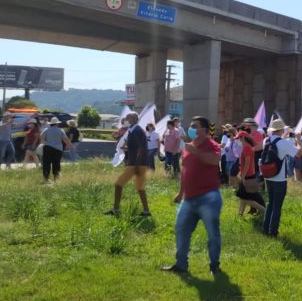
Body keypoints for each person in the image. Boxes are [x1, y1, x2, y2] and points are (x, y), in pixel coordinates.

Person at [162, 116, 224, 275]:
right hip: (189, 199)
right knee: (181, 228)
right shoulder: (189, 147)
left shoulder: (212, 145)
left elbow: (214, 160)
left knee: (212, 233)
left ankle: (214, 265)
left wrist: (195, 152)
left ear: (203, 129)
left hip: (209, 197)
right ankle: (181, 264)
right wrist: (181, 192)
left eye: (194, 126)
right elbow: (185, 171)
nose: (191, 129)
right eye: (190, 126)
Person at [261, 118, 302, 237]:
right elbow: (299, 153)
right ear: (281, 130)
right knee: (277, 206)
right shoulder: (284, 143)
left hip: (268, 176)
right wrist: (298, 140)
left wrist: (283, 134)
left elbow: (278, 142)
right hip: (279, 179)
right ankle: (273, 232)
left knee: (270, 203)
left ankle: (265, 229)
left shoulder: (266, 140)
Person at [105, 112, 151, 217]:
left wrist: (137, 165)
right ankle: (146, 211)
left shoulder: (136, 131)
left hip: (136, 164)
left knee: (118, 184)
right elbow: (137, 147)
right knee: (140, 187)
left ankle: (116, 210)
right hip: (138, 163)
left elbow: (141, 148)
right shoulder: (133, 130)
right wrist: (127, 148)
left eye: (127, 118)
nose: (125, 120)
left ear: (134, 119)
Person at [235, 130, 266, 216]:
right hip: (249, 175)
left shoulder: (246, 148)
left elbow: (247, 163)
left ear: (243, 138)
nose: (238, 140)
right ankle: (240, 214)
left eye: (239, 138)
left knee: (248, 199)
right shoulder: (248, 147)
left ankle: (264, 211)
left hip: (247, 176)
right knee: (243, 196)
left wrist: (243, 176)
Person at [39, 117, 71, 183]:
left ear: (51, 123)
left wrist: (44, 143)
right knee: (56, 163)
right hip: (58, 149)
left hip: (47, 148)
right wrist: (70, 146)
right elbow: (65, 139)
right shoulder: (60, 130)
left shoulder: (46, 130)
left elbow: (41, 138)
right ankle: (56, 179)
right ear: (57, 123)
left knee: (46, 164)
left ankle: (46, 179)